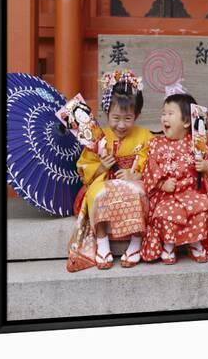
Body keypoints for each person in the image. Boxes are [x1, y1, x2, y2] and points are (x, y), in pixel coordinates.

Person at [67, 70, 153, 272]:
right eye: (115, 118)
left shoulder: (146, 136)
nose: (121, 125)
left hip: (132, 181)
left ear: (137, 115)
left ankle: (136, 241)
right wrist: (102, 166)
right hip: (103, 180)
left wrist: (136, 175)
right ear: (106, 113)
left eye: (128, 118)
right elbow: (85, 171)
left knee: (139, 192)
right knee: (97, 193)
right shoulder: (97, 136)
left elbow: (152, 164)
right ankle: (102, 241)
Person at [141, 91, 208, 264]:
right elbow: (150, 168)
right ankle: (169, 244)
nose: (164, 118)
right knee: (165, 214)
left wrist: (207, 168)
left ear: (186, 122)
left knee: (201, 208)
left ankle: (195, 242)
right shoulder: (156, 143)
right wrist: (162, 183)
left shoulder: (198, 143)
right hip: (168, 195)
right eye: (163, 114)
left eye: (170, 114)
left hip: (192, 192)